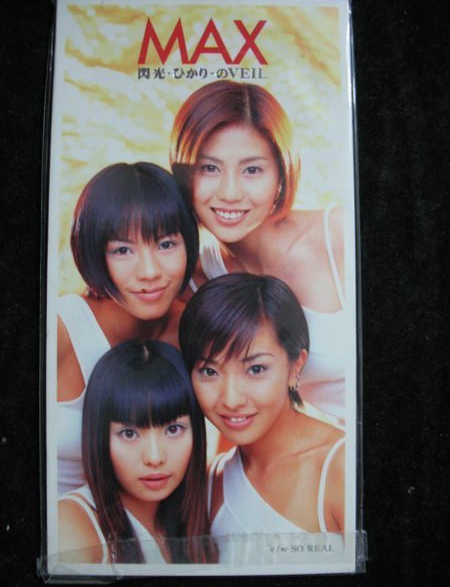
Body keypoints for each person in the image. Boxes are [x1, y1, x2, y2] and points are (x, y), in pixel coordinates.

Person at [170, 80, 346, 422]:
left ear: (281, 173)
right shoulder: (194, 283)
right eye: (209, 168)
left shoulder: (338, 235)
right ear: (184, 175)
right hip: (315, 448)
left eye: (252, 170)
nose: (230, 193)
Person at [179, 274, 345, 562]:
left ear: (295, 366)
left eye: (255, 369)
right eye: (209, 371)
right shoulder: (211, 483)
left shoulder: (340, 466)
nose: (231, 399)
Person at [57, 162, 198, 495]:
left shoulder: (194, 329)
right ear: (95, 253)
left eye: (166, 244)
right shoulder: (61, 330)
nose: (149, 271)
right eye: (123, 250)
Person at [58, 339, 213, 564]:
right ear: (100, 436)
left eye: (173, 429)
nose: (154, 457)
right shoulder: (73, 525)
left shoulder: (188, 522)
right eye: (129, 434)